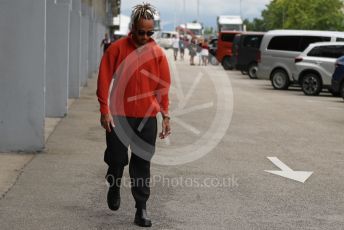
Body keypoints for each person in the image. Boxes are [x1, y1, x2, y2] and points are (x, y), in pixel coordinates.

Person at [96, 3, 171, 228]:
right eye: (141, 32)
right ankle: (114, 184)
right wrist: (104, 110)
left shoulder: (157, 54)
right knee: (117, 160)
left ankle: (141, 208)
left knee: (142, 163)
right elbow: (103, 79)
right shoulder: (117, 49)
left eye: (150, 32)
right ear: (132, 28)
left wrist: (166, 115)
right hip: (119, 116)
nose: (145, 36)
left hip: (147, 119)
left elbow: (163, 87)